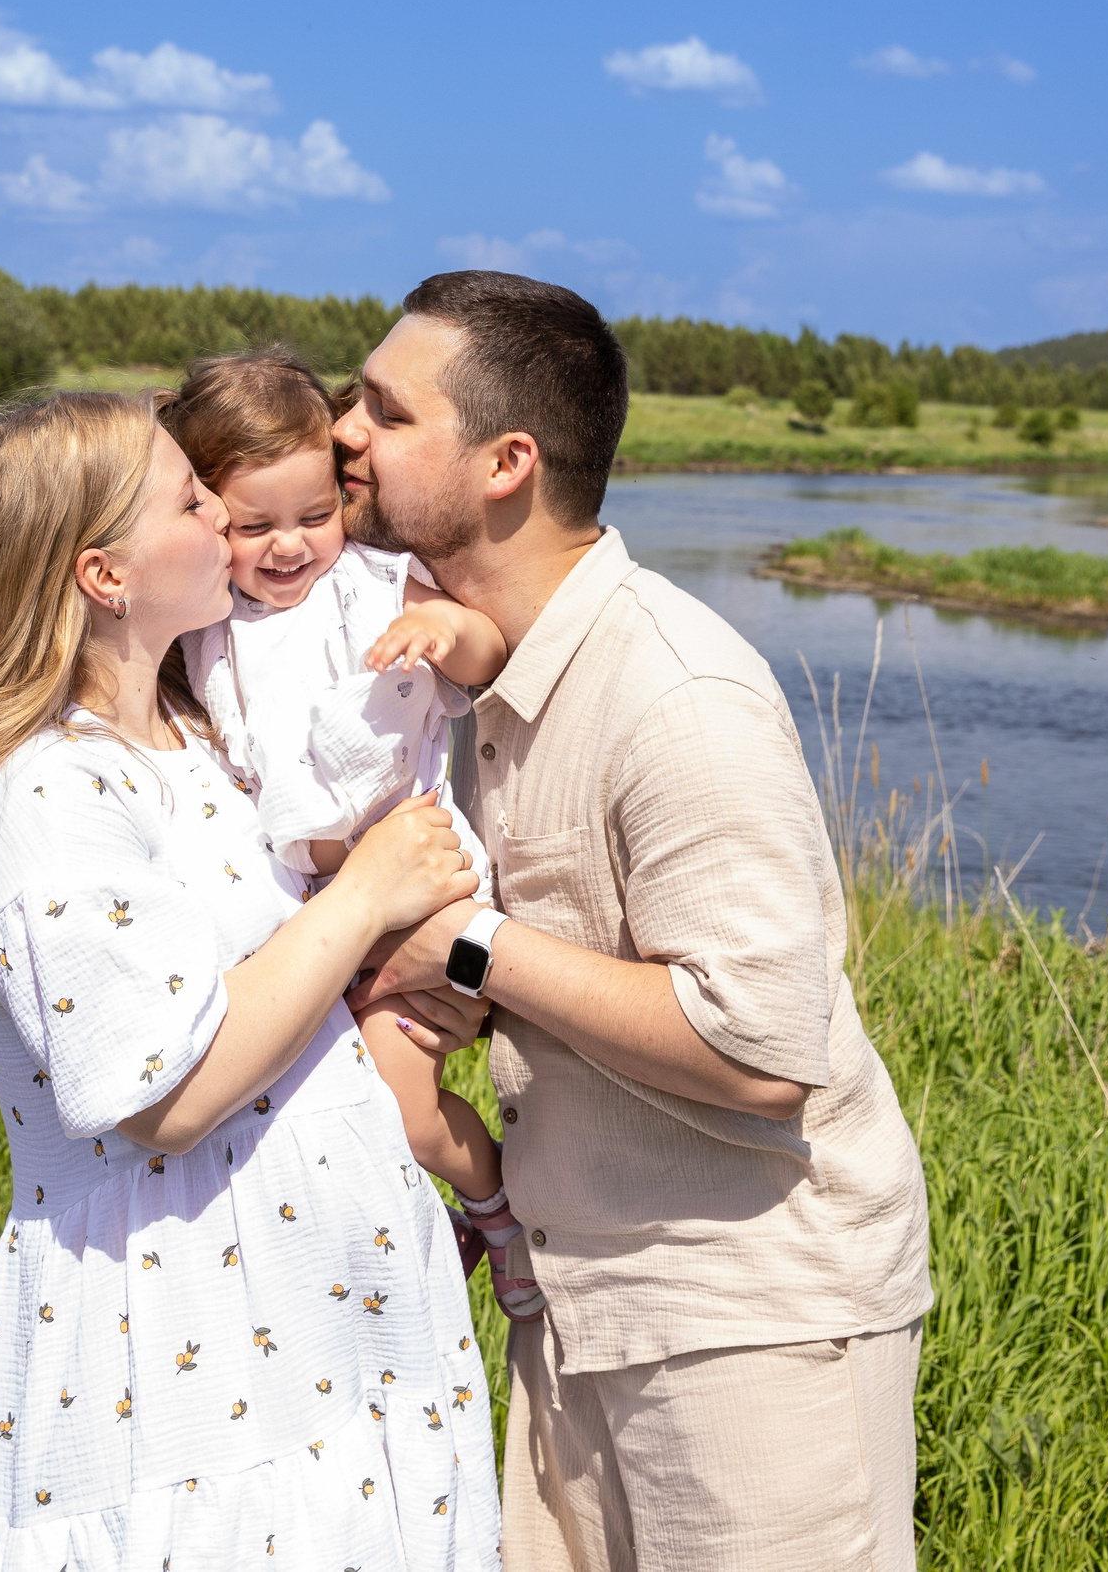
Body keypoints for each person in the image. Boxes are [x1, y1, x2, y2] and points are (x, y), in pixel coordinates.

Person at [338, 273, 934, 1571]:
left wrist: (473, 947)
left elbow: (767, 1051)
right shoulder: (464, 676)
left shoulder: (675, 692)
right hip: (578, 1302)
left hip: (750, 1333)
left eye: (385, 409)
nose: (344, 430)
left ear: (507, 464)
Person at [0, 391, 502, 1569]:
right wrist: (368, 894)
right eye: (189, 495)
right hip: (186, 1346)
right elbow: (164, 1095)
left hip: (312, 1318)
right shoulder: (46, 792)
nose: (224, 510)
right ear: (105, 576)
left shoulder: (190, 725)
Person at [156, 345, 540, 1322]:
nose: (289, 545)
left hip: (420, 885)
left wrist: (445, 636)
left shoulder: (373, 584)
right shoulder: (204, 617)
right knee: (324, 1113)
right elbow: (69, 605)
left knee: (402, 1107)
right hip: (314, 911)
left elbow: (486, 641)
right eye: (255, 525)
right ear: (206, 516)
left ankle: (498, 1214)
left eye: (313, 515)